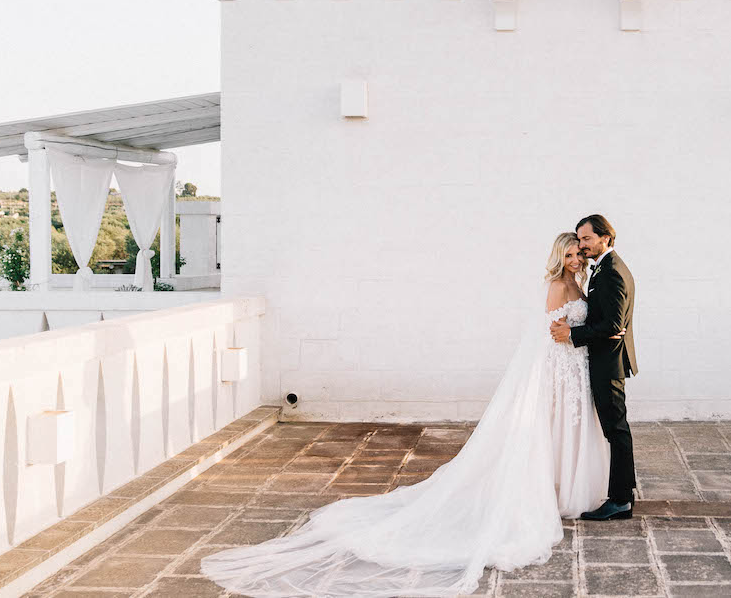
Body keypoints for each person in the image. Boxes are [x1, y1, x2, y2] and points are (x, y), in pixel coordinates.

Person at [201, 232, 617, 597]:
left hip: (573, 368)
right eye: (568, 256)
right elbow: (550, 332)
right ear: (557, 257)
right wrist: (565, 349)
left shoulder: (579, 281)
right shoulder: (557, 286)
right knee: (548, 432)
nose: (575, 260)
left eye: (577, 254)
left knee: (565, 432)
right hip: (559, 366)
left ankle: (563, 486)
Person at [550, 213, 637, 521]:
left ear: (605, 238)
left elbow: (613, 323)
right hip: (600, 360)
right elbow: (608, 322)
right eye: (579, 240)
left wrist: (574, 334)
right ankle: (620, 495)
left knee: (616, 429)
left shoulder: (611, 271)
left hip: (607, 363)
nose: (582, 245)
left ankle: (621, 500)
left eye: (586, 239)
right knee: (614, 429)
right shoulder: (603, 269)